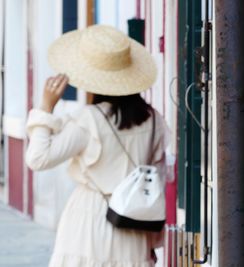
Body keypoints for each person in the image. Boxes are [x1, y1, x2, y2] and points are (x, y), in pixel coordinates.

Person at [25, 25, 170, 267]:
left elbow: (38, 158)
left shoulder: (89, 120)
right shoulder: (154, 120)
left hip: (89, 221)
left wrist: (45, 108)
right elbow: (157, 180)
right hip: (133, 224)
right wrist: (152, 237)